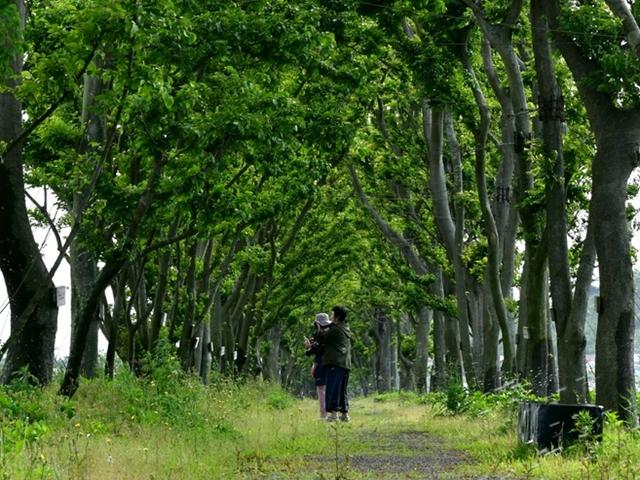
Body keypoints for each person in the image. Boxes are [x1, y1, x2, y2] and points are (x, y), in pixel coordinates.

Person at [316, 305, 352, 422]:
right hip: (344, 364)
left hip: (336, 364)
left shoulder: (335, 330)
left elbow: (322, 338)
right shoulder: (345, 328)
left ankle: (333, 415)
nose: (331, 317)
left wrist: (318, 328)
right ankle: (344, 414)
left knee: (333, 388)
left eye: (332, 315)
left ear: (337, 317)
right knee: (342, 389)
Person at [304, 313, 331, 419]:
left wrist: (309, 347)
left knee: (321, 389)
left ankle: (323, 414)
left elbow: (313, 351)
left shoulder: (320, 335)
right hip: (332, 364)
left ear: (317, 324)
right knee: (329, 388)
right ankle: (332, 413)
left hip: (321, 364)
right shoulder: (332, 333)